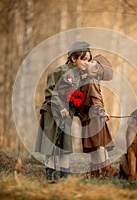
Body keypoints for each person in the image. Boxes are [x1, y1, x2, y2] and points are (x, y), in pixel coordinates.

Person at [35, 42, 92, 182]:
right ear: (73, 58)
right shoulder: (59, 72)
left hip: (67, 114)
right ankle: (50, 174)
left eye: (88, 60)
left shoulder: (82, 77)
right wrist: (60, 107)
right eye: (83, 59)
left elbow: (79, 99)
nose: (86, 63)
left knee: (65, 145)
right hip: (52, 112)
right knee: (51, 144)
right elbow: (50, 92)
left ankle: (64, 174)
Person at [76, 55, 117, 178]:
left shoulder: (85, 79)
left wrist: (103, 112)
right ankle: (106, 169)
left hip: (89, 117)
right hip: (95, 118)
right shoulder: (91, 81)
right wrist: (102, 112)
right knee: (99, 145)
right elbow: (95, 100)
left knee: (94, 146)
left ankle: (95, 172)